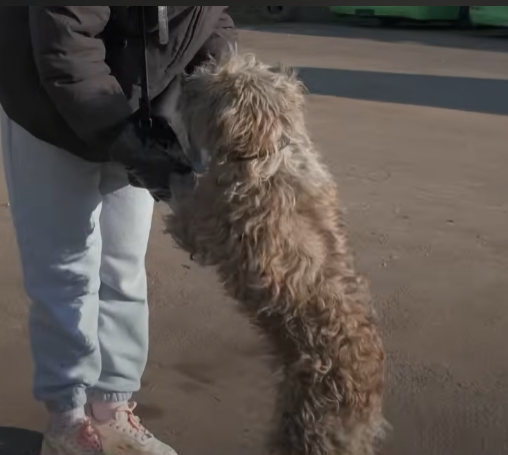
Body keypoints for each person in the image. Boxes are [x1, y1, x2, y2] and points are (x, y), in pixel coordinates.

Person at [0, 6, 236, 455]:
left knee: (123, 267)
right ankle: (67, 421)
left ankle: (112, 410)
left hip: (135, 101)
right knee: (67, 271)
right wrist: (124, 139)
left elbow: (209, 18)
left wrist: (221, 80)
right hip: (46, 103)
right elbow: (65, 44)